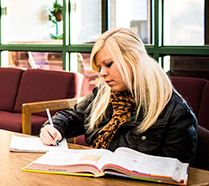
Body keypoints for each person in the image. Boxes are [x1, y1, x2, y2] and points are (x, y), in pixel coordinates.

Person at [40, 27, 197, 164]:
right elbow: (72, 117)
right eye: (99, 67)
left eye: (108, 64)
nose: (102, 73)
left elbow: (173, 176)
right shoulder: (103, 94)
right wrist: (52, 127)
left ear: (134, 59)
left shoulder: (176, 113)